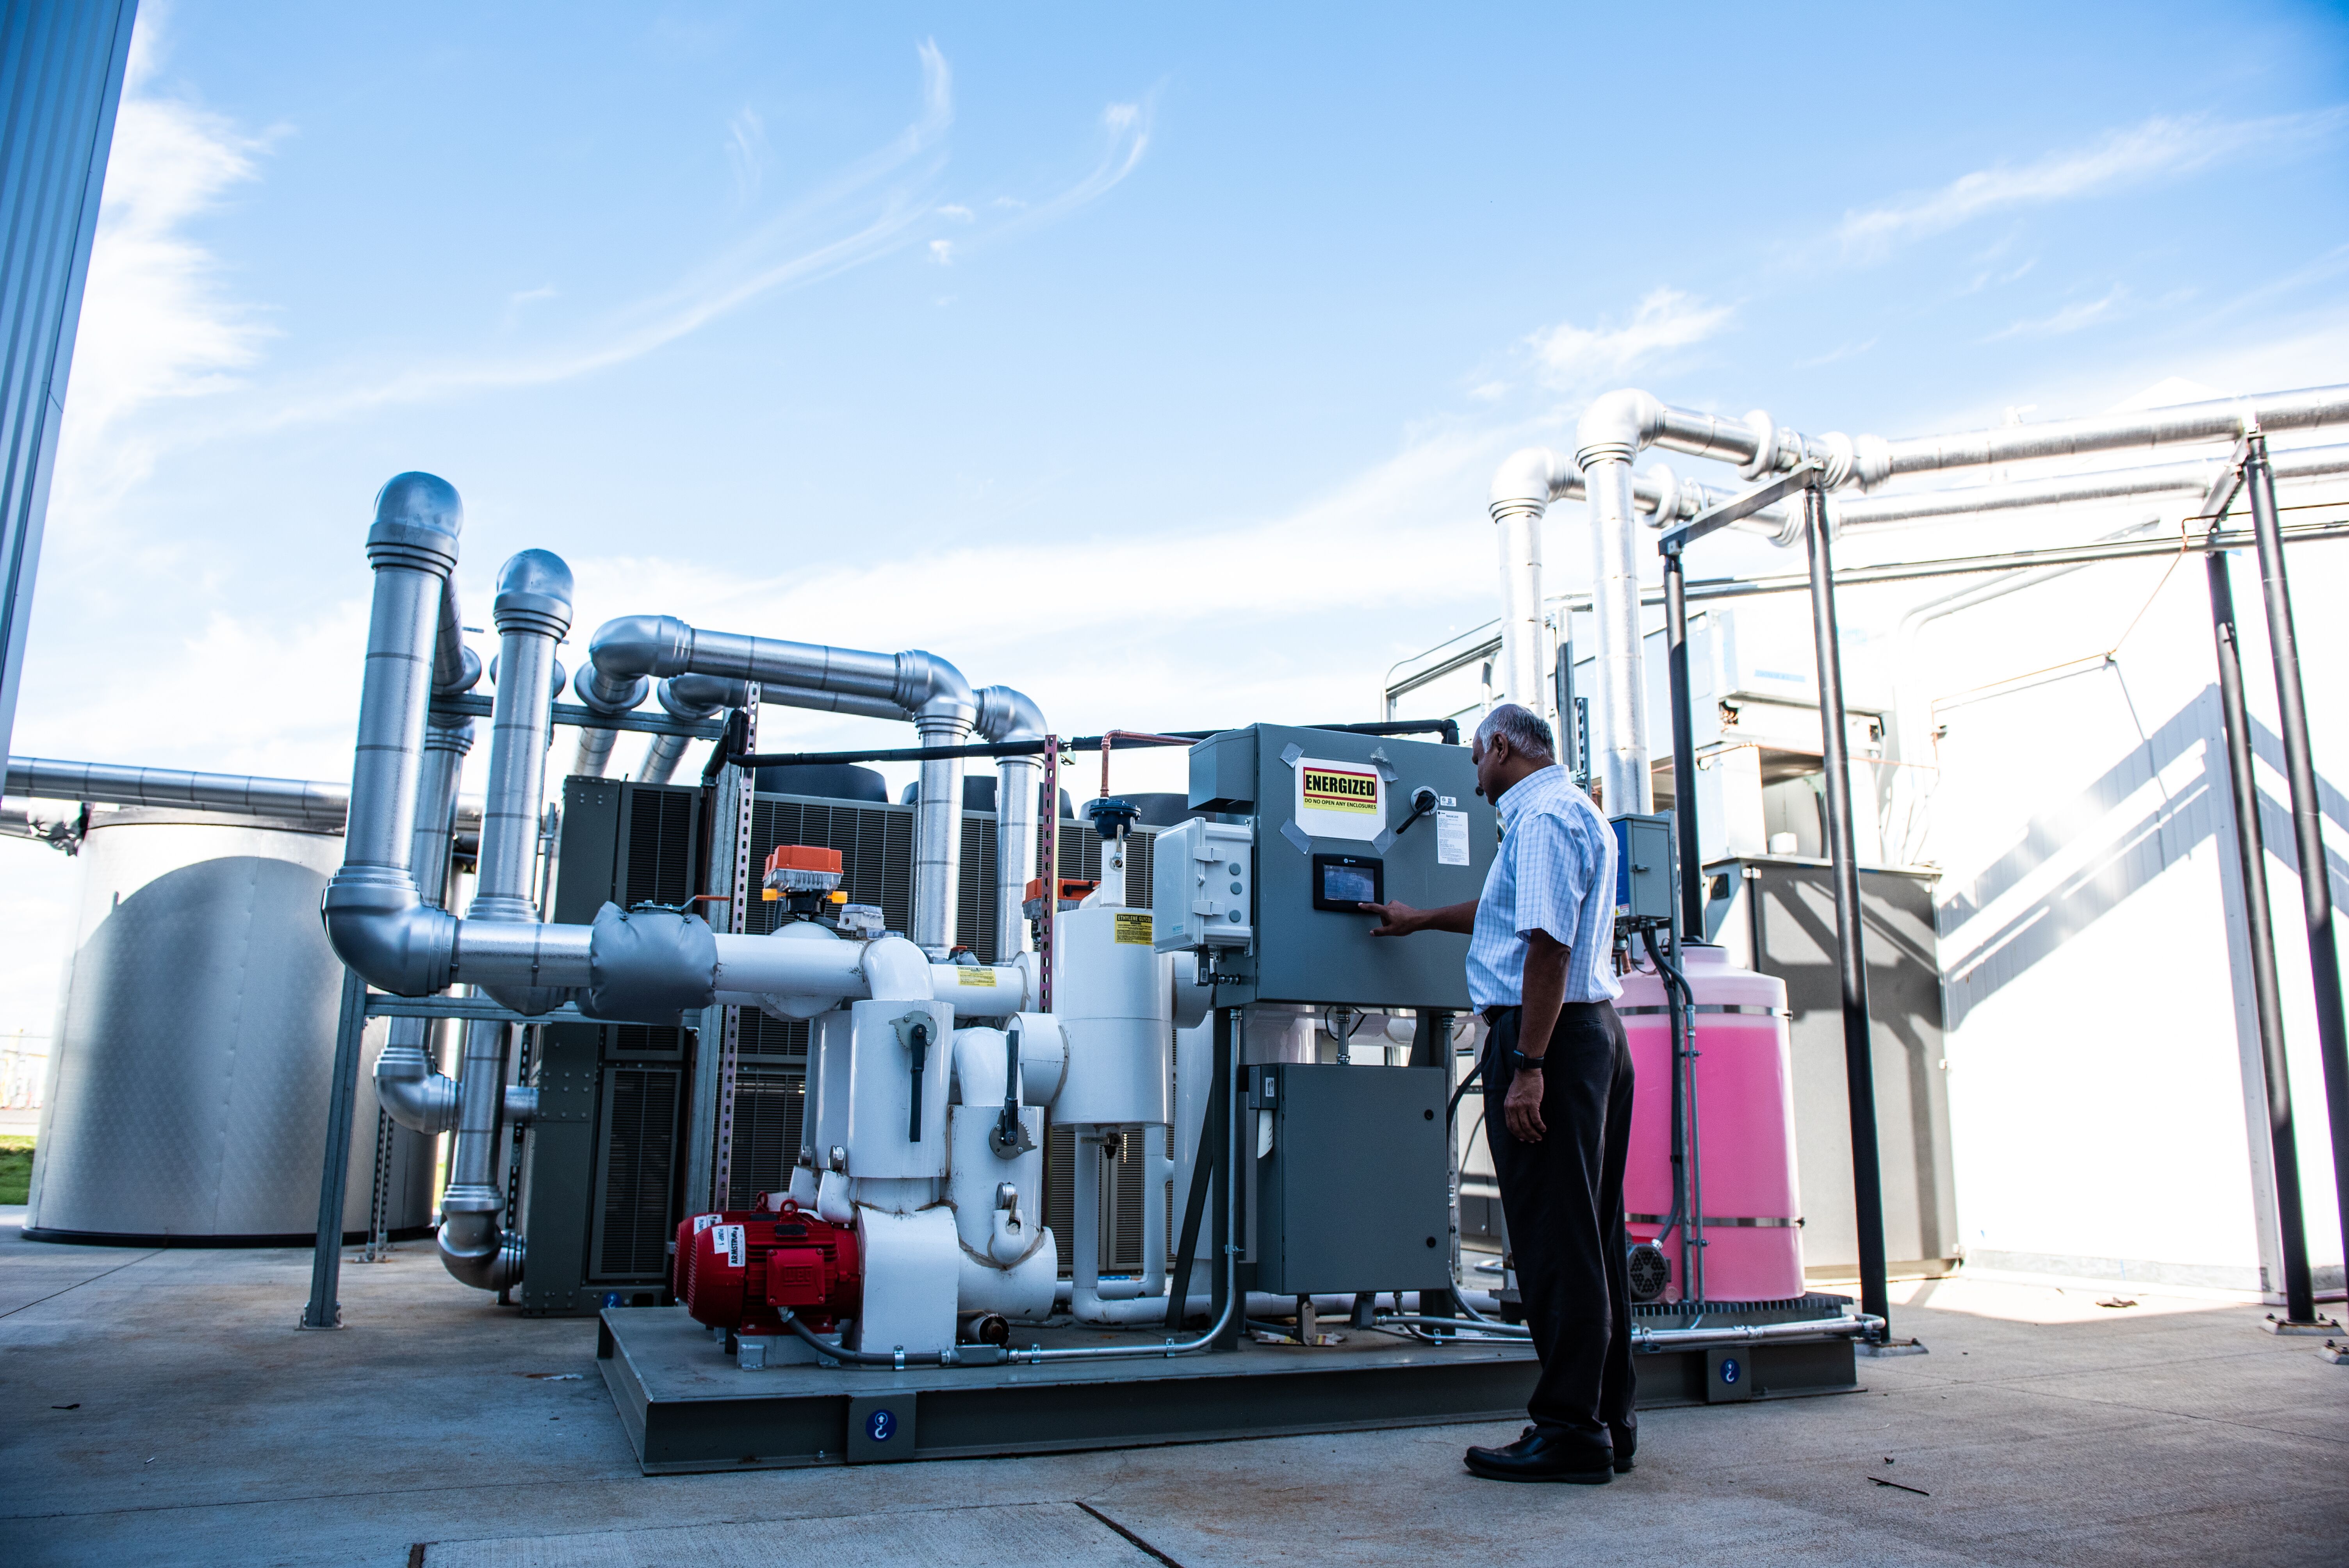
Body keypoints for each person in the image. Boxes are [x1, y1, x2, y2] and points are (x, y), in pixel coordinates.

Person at [1363, 702, 1635, 1484]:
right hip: (1592, 1036)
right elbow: (1510, 913)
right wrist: (1417, 921)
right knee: (1592, 1238)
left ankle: (1566, 1430)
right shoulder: (1569, 810)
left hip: (1552, 1036)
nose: (1473, 781)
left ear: (1504, 747)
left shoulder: (1541, 818)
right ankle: (1607, 1420)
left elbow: (1545, 947)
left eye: (1476, 761)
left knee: (1555, 1243)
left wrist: (1527, 1063)